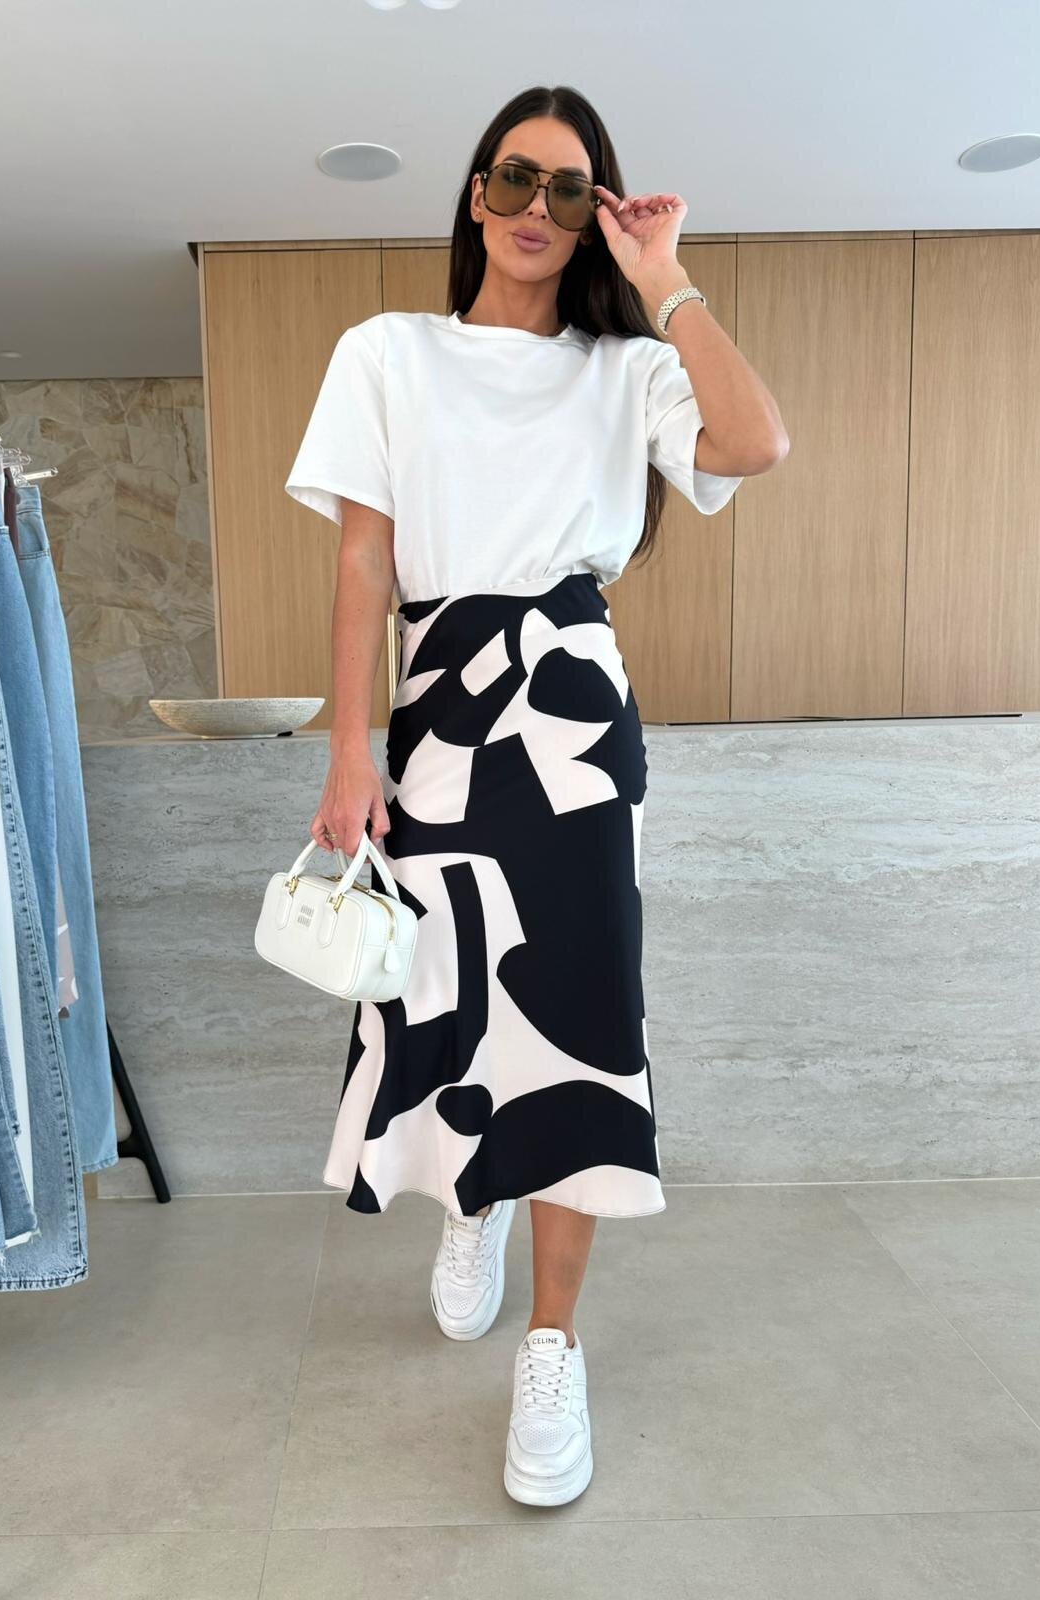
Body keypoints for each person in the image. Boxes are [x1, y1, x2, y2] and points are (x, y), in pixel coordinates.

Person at [284, 83, 789, 1508]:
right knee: (446, 992)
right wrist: (349, 747)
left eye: (571, 190)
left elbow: (756, 444)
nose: (536, 209)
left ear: (594, 218)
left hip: (569, 714)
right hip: (438, 705)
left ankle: (553, 1348)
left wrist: (664, 277)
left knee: (579, 1012)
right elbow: (363, 563)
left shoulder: (627, 371)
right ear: (476, 194)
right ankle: (476, 1203)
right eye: (516, 179)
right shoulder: (388, 353)